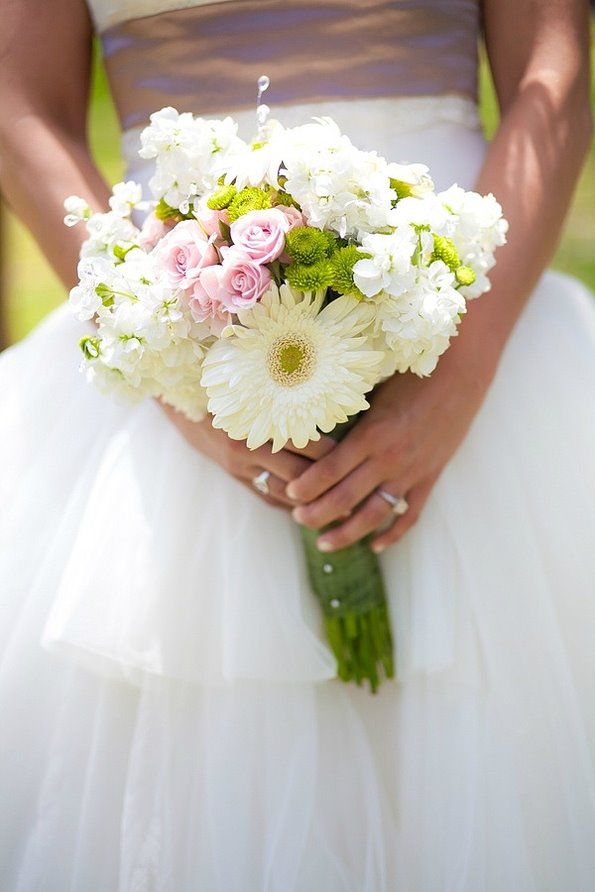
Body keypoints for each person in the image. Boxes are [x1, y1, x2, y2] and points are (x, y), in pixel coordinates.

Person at [1, 0, 594, 888]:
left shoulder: (468, 360)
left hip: (472, 321)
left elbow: (553, 78)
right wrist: (162, 359)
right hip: (174, 325)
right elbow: (20, 106)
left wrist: (460, 370)